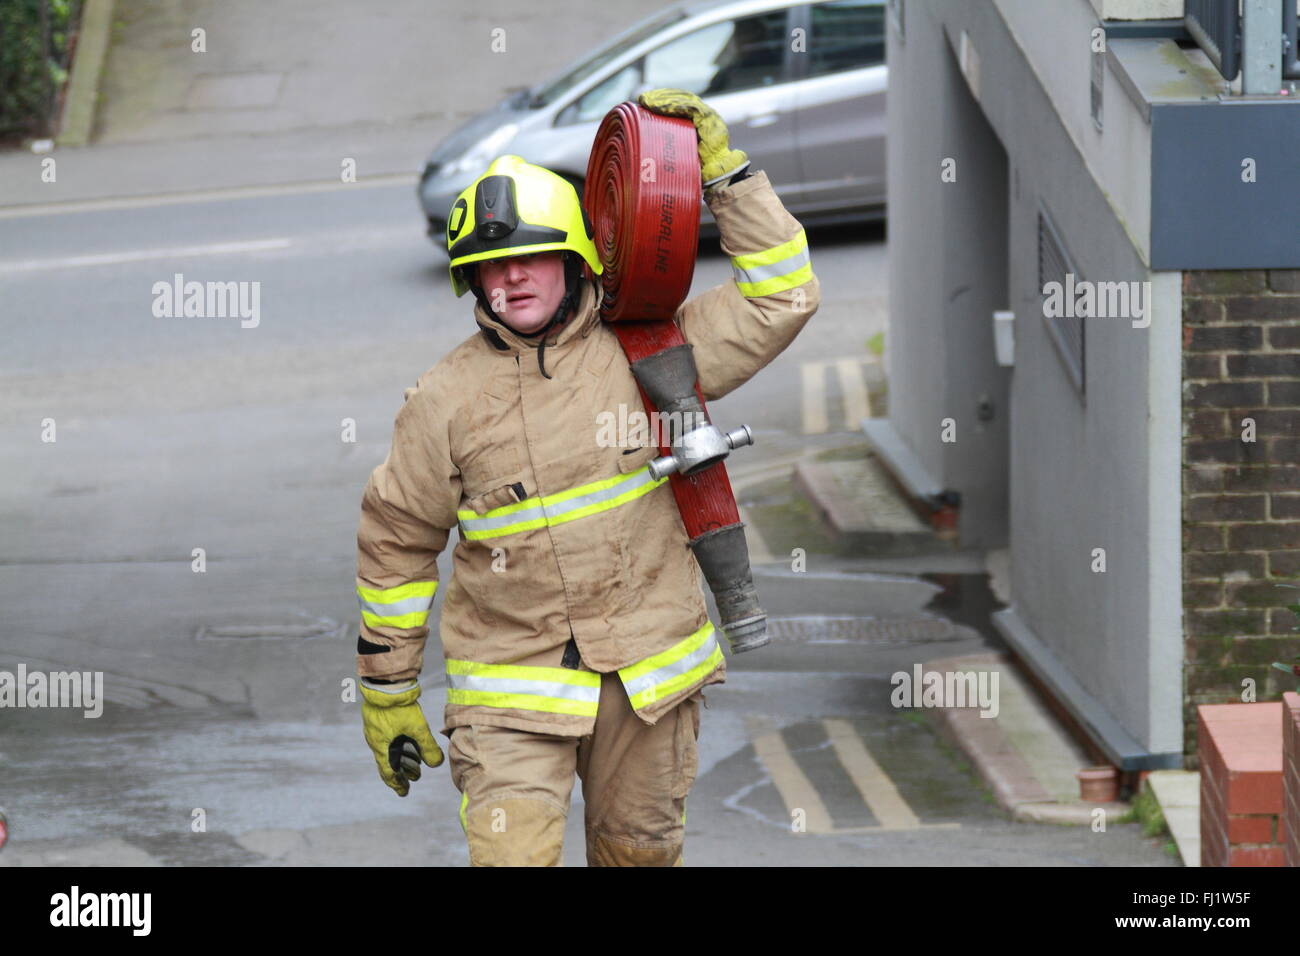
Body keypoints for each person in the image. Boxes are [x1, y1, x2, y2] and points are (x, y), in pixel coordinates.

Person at [354, 89, 819, 866]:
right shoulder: (443, 402)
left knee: (637, 858)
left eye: (528, 257)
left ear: (575, 257)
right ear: (469, 285)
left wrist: (726, 176)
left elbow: (781, 295)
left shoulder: (655, 351)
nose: (509, 280)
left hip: (650, 686)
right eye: (487, 269)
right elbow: (396, 548)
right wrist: (388, 691)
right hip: (509, 703)